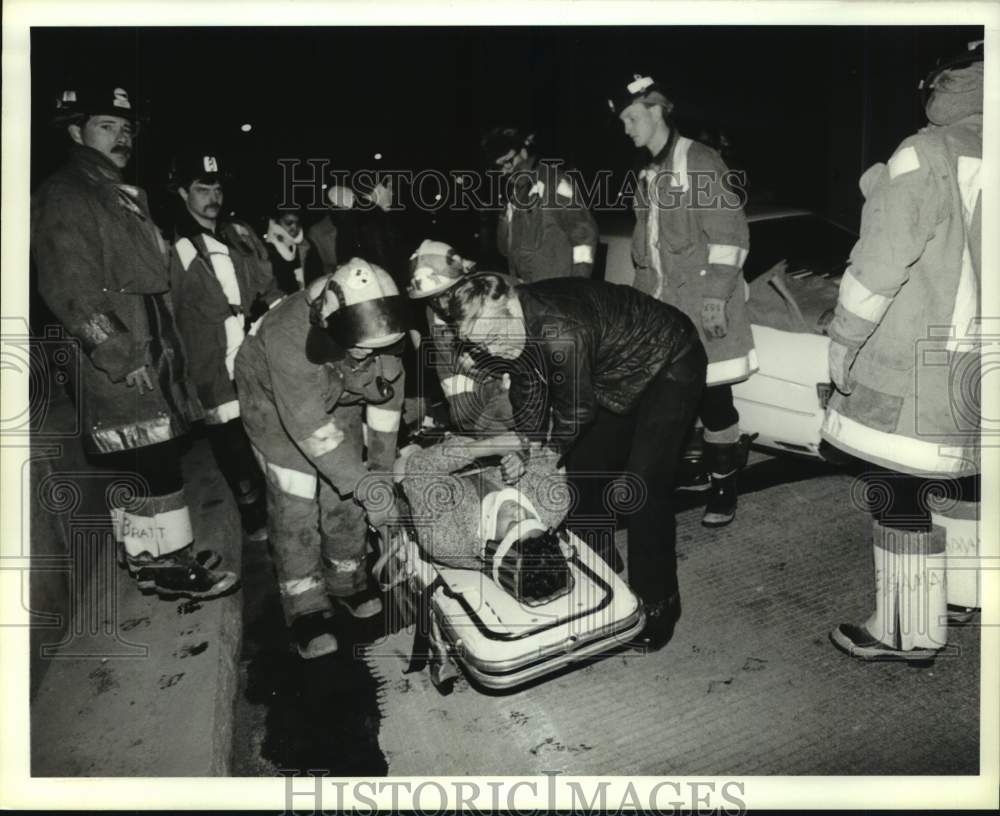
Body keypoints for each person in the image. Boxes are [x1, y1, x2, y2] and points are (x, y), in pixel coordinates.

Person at [31, 85, 237, 600]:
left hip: (151, 349)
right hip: (125, 357)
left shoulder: (111, 188)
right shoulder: (67, 192)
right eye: (107, 126)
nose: (122, 137)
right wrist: (121, 355)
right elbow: (68, 288)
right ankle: (164, 565)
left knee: (151, 457)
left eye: (127, 129)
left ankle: (156, 557)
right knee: (150, 461)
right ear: (77, 132)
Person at [438, 273, 706, 652]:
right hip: (615, 371)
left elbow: (576, 409)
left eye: (495, 338)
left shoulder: (557, 328)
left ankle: (659, 607)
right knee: (584, 469)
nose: (493, 350)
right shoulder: (512, 330)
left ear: (510, 302)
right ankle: (600, 562)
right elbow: (529, 386)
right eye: (480, 346)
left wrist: (545, 451)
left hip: (670, 359)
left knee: (642, 487)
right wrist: (526, 443)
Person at [823, 44, 983, 664]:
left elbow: (878, 268)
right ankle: (967, 594)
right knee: (968, 474)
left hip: (923, 363)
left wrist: (844, 338)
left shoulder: (926, 152)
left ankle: (907, 628)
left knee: (899, 485)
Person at [234, 258, 409, 659]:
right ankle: (306, 607)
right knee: (296, 501)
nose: (371, 352)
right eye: (362, 345)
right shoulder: (287, 335)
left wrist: (377, 479)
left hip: (339, 386)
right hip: (275, 401)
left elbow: (386, 406)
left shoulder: (380, 325)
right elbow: (310, 426)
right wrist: (365, 485)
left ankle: (347, 579)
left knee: (347, 492)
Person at [611, 75, 756, 527]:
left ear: (657, 111)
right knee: (664, 401)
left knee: (714, 404)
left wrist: (715, 299)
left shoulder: (700, 161)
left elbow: (730, 237)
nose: (627, 128)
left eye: (632, 118)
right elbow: (646, 254)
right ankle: (675, 477)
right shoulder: (648, 172)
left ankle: (724, 486)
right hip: (661, 309)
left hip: (702, 306)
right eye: (622, 121)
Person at [168, 152, 282, 542]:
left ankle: (282, 505)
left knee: (267, 432)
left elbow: (268, 286)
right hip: (212, 362)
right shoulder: (175, 246)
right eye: (202, 188)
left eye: (217, 187)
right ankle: (254, 518)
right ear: (184, 192)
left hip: (253, 353)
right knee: (231, 443)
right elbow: (169, 312)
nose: (212, 195)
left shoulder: (239, 233)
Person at [405, 239, 513, 435]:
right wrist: (464, 415)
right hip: (480, 378)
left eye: (446, 294)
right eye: (433, 298)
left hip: (514, 379)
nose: (442, 303)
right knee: (471, 426)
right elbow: (447, 363)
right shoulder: (435, 312)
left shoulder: (497, 294)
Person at [482, 127, 598, 283]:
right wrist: (504, 217)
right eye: (499, 167)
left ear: (523, 151)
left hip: (556, 291)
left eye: (508, 162)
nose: (504, 171)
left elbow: (584, 237)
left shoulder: (553, 182)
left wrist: (578, 284)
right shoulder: (514, 194)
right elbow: (504, 249)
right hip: (527, 289)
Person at [264, 208, 312, 294]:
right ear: (276, 224)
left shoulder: (306, 247)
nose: (294, 227)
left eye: (297, 223)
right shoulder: (267, 254)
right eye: (288, 223)